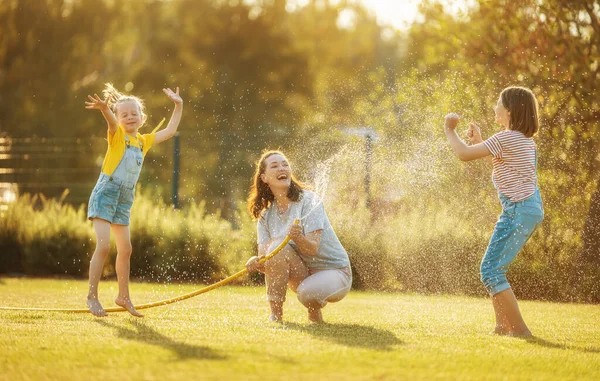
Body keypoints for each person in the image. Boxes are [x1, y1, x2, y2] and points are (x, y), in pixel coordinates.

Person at [444, 86, 544, 337]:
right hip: (525, 208)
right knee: (493, 268)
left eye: (498, 102)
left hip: (518, 210)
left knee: (490, 270)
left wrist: (449, 130)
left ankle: (519, 330)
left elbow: (463, 154)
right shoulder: (522, 141)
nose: (494, 107)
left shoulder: (506, 138)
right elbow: (502, 162)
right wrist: (481, 142)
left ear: (509, 110)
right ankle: (501, 327)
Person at [84, 83, 183, 317]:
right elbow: (110, 121)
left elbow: (169, 131)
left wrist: (179, 105)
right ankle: (92, 297)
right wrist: (104, 109)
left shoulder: (143, 142)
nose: (129, 117)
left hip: (124, 199)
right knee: (105, 245)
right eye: (124, 114)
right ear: (119, 119)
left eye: (133, 114)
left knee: (126, 248)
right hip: (106, 194)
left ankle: (123, 296)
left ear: (141, 118)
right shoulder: (117, 136)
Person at [246, 150, 352, 323]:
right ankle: (276, 316)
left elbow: (313, 248)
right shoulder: (266, 216)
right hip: (304, 274)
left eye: (285, 164)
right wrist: (256, 263)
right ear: (264, 178)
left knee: (306, 293)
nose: (282, 168)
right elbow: (269, 260)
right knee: (277, 247)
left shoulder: (309, 201)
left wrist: (298, 238)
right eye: (275, 166)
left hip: (335, 272)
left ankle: (314, 312)